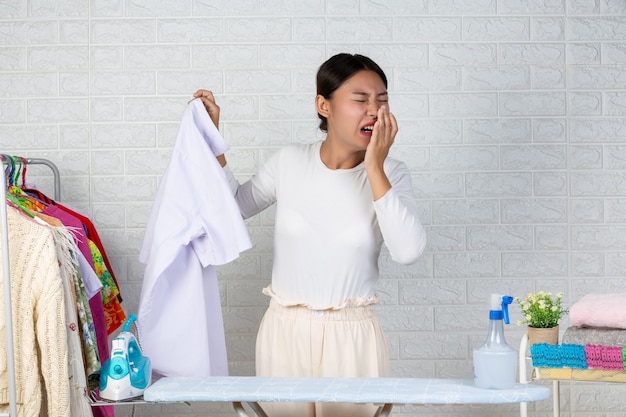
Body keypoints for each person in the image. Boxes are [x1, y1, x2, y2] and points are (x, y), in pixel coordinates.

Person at [193, 53, 427, 417]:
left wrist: (375, 167)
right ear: (324, 105)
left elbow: (408, 250)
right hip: (284, 333)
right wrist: (213, 143)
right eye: (361, 99)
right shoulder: (288, 162)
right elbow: (233, 209)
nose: (375, 111)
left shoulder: (391, 174)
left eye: (382, 101)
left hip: (353, 340)